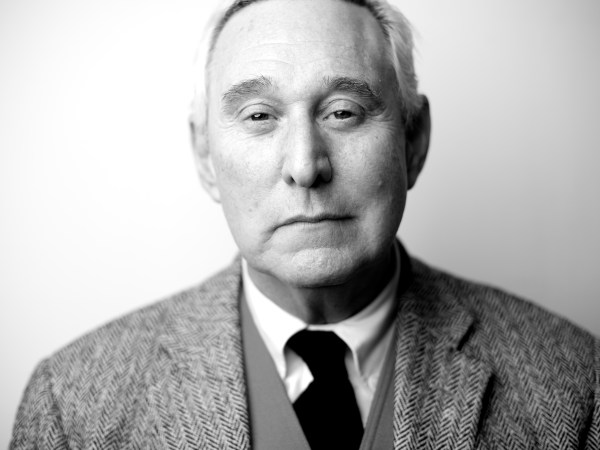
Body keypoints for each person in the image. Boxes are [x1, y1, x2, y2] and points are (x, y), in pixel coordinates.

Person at [10, 0, 599, 448]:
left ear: (413, 141)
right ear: (205, 156)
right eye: (259, 116)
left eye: (343, 112)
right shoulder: (72, 406)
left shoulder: (575, 385)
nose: (305, 166)